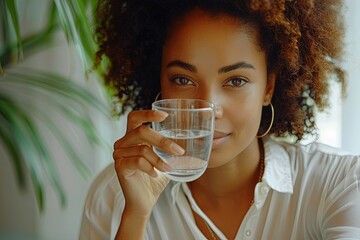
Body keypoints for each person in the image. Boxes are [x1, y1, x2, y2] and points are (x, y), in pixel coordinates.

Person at [80, 0, 360, 239]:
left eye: (235, 80)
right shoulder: (115, 194)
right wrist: (136, 217)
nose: (210, 108)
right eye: (183, 79)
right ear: (160, 85)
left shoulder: (339, 182)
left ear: (268, 87)